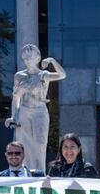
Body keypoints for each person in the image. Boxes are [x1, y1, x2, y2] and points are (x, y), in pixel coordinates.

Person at [5, 44, 66, 173]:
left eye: (31, 56)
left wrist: (52, 61)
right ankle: (24, 173)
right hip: (24, 112)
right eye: (26, 57)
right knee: (24, 145)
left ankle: (40, 173)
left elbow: (62, 75)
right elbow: (16, 98)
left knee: (40, 144)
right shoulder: (19, 76)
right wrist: (13, 116)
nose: (28, 59)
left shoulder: (44, 75)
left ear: (38, 58)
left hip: (40, 112)